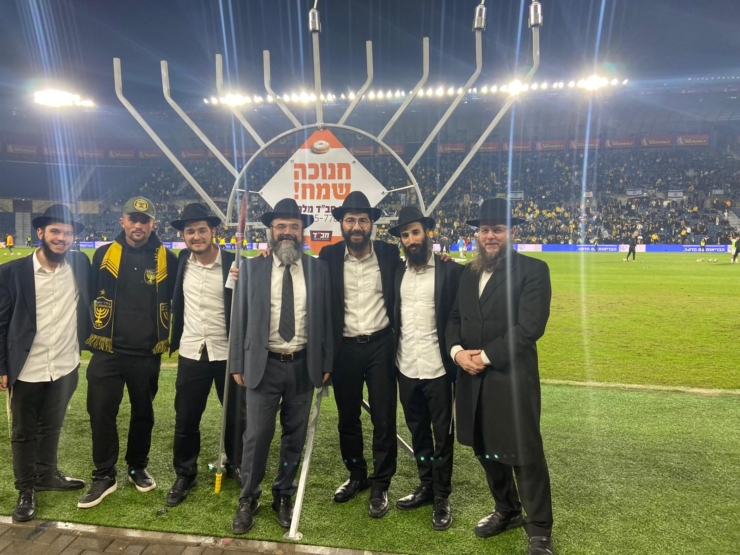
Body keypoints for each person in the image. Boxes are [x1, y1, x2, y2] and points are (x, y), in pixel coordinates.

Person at [446, 198, 554, 555]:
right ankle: (506, 509)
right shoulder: (467, 273)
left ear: (512, 232)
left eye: (498, 229)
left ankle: (539, 530)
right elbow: (454, 318)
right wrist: (457, 352)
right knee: (484, 447)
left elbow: (529, 327)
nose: (490, 236)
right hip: (470, 376)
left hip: (511, 376)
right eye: (485, 230)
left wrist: (484, 356)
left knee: (524, 452)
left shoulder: (533, 270)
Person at [230, 198, 333, 534]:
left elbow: (327, 319)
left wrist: (327, 360)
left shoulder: (318, 269)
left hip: (303, 365)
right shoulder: (251, 269)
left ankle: (283, 493)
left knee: (294, 436)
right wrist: (237, 361)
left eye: (293, 226)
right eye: (281, 226)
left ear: (302, 231)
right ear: (271, 231)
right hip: (263, 364)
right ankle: (248, 497)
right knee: (257, 435)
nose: (287, 232)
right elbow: (239, 319)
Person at [78, 197, 178, 509]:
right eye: (132, 219)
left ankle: (137, 466)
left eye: (144, 220)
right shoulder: (103, 254)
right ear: (122, 221)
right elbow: (89, 294)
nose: (138, 225)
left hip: (147, 351)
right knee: (100, 412)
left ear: (153, 224)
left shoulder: (168, 258)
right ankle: (104, 474)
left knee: (143, 413)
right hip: (107, 350)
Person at [0, 205, 90, 522]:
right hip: (27, 368)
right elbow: (1, 322)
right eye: (55, 231)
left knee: (51, 426)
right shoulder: (11, 272)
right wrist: (1, 366)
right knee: (24, 432)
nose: (61, 237)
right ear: (40, 233)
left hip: (65, 365)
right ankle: (26, 489)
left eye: (68, 233)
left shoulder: (79, 265)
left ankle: (46, 474)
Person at [318, 191, 399, 518]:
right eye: (350, 220)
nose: (356, 226)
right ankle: (356, 475)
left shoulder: (389, 253)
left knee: (384, 418)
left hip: (381, 345)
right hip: (345, 349)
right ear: (341, 223)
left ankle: (380, 484)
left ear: (371, 224)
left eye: (362, 220)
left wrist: (446, 262)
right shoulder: (328, 255)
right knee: (348, 419)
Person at [166, 203, 246, 507]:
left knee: (236, 416)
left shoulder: (235, 263)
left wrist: (249, 274)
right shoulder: (180, 263)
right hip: (191, 351)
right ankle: (185, 473)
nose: (196, 236)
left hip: (228, 353)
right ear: (184, 236)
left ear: (213, 231)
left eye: (201, 230)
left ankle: (237, 463)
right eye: (190, 231)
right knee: (186, 418)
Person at [388, 206, 463, 531]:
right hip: (406, 366)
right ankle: (426, 486)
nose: (411, 239)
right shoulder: (396, 272)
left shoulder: (450, 270)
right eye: (405, 235)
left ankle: (442, 496)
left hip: (439, 369)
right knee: (418, 432)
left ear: (427, 233)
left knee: (443, 436)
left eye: (415, 232)